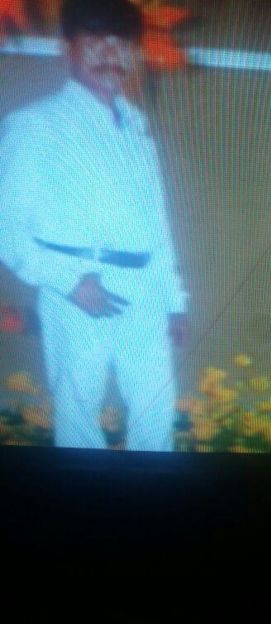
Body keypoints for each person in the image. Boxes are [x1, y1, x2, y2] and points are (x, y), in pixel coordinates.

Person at [0, 0, 188, 451]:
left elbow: (156, 222)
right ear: (68, 48)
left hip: (143, 291)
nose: (110, 55)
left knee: (156, 411)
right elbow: (6, 227)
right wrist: (70, 282)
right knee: (78, 413)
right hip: (77, 291)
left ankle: (151, 494)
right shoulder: (34, 124)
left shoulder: (137, 125)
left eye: (121, 44)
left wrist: (173, 299)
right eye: (95, 42)